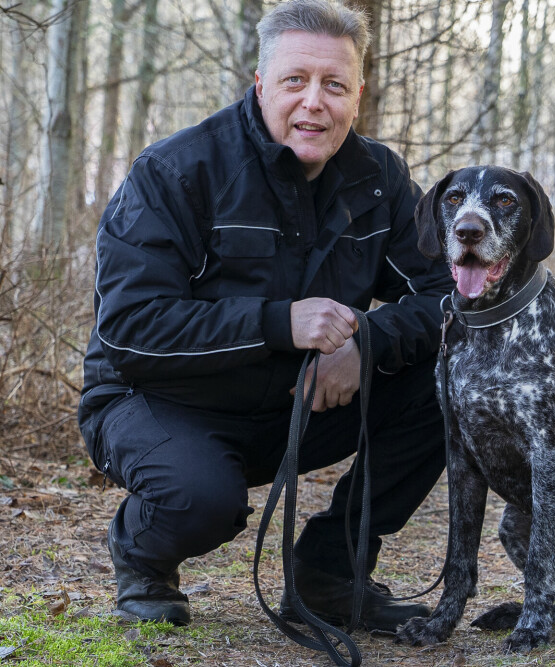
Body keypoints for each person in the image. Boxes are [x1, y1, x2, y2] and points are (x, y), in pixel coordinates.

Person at [77, 0, 452, 629]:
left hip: (295, 407)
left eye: (334, 85)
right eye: (295, 81)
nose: (314, 102)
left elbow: (451, 297)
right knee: (201, 499)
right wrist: (280, 322)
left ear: (357, 95)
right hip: (159, 401)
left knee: (452, 384)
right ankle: (144, 556)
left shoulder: (378, 178)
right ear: (260, 85)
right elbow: (129, 330)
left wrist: (367, 343)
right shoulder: (178, 171)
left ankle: (330, 572)